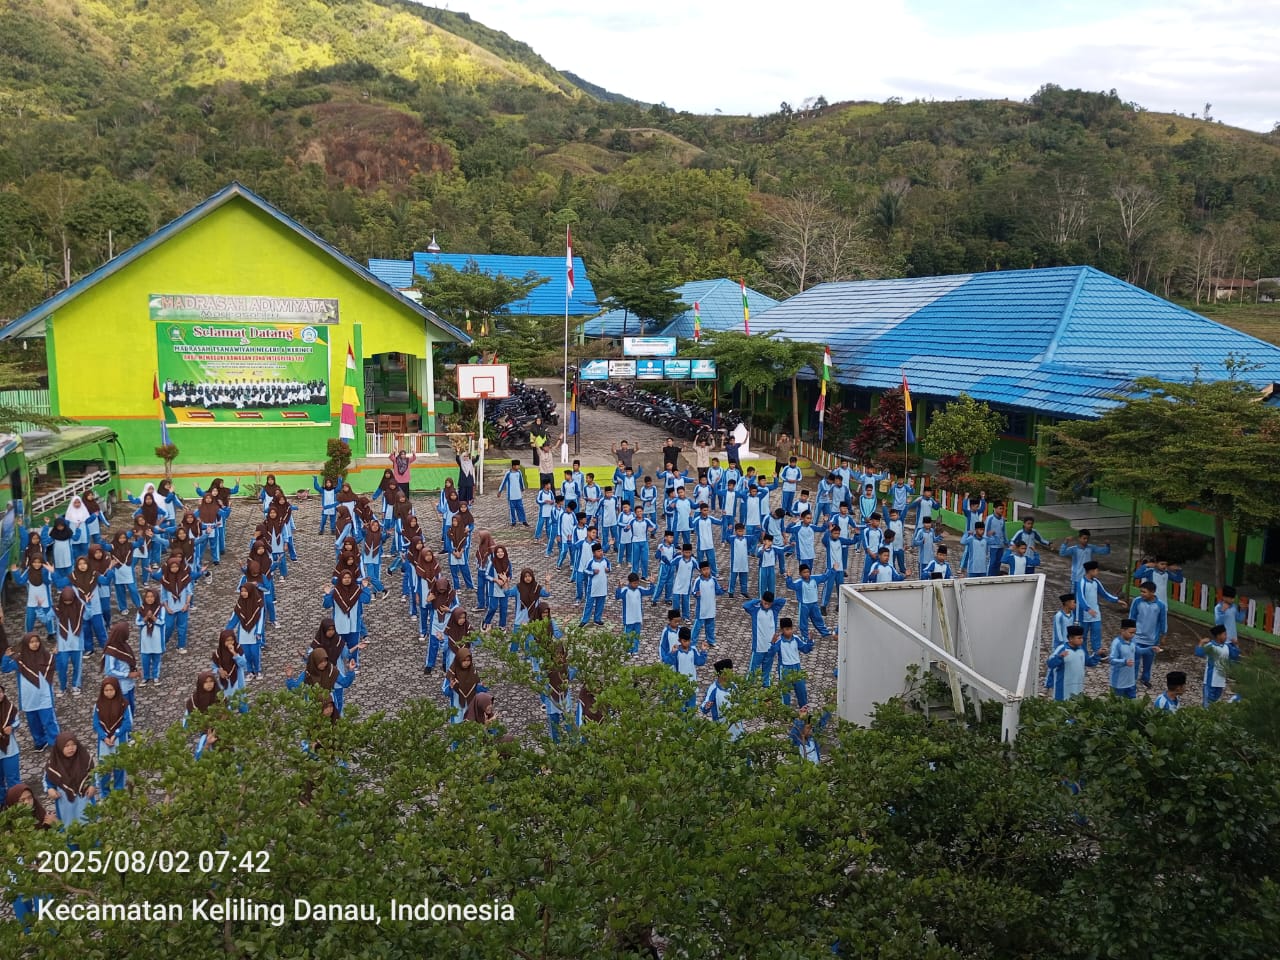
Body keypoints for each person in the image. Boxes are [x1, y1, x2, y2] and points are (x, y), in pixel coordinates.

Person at [8, 632, 58, 749]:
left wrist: (57, 655)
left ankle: (55, 743)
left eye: (36, 641)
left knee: (49, 721)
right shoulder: (19, 660)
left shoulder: (46, 656)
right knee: (33, 723)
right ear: (26, 644)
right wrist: (6, 657)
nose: (35, 644)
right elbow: (5, 668)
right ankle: (40, 741)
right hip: (29, 698)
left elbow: (57, 666)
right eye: (31, 642)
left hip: (44, 696)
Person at [44, 732, 96, 825]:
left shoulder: (84, 758)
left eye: (73, 745)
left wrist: (92, 785)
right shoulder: (54, 764)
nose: (71, 748)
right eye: (66, 746)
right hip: (65, 802)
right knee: (69, 825)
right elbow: (49, 780)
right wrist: (50, 789)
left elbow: (93, 774)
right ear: (60, 747)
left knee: (88, 823)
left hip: (84, 799)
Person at [1075, 561, 1125, 655]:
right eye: (1096, 570)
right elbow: (1080, 598)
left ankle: (1097, 653)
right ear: (1091, 571)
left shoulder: (1096, 582)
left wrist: (1117, 600)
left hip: (1095, 614)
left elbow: (1104, 594)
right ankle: (1082, 654)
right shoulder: (1081, 583)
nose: (1098, 572)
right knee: (1083, 636)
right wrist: (1088, 609)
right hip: (1084, 615)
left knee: (1096, 634)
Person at [92, 677, 132, 794]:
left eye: (111, 690)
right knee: (104, 770)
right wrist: (104, 737)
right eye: (106, 690)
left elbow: (127, 723)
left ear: (116, 690)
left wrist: (116, 735)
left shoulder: (124, 704)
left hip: (119, 741)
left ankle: (119, 792)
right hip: (104, 743)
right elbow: (96, 724)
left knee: (119, 768)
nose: (109, 693)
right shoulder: (98, 705)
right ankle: (105, 794)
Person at [1128, 580, 1168, 689]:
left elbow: (1163, 621)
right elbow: (1132, 617)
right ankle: (1132, 681)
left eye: (1144, 592)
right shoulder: (1137, 601)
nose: (1141, 594)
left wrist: (1164, 635)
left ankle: (1145, 679)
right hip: (1136, 638)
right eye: (1141, 591)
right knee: (1135, 661)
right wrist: (1128, 632)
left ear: (1153, 592)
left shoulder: (1160, 605)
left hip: (1152, 639)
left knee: (1148, 662)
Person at [744, 591, 787, 685]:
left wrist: (772, 601)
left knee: (767, 669)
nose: (767, 605)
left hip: (771, 647)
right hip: (758, 647)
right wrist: (758, 600)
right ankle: (748, 686)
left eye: (769, 603)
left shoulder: (774, 609)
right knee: (753, 670)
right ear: (762, 600)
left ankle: (766, 686)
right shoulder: (755, 610)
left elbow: (783, 601)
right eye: (765, 603)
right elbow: (746, 606)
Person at [1045, 625, 1098, 700]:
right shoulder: (1062, 649)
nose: (1081, 640)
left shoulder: (1082, 649)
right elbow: (1050, 663)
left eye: (1082, 638)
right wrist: (1059, 657)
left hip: (1078, 687)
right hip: (1063, 689)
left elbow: (1089, 662)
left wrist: (1097, 655)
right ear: (1070, 639)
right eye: (1079, 638)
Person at [661, 627, 708, 709]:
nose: (687, 643)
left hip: (691, 684)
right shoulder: (676, 652)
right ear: (679, 640)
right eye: (685, 641)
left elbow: (699, 662)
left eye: (689, 641)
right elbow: (668, 662)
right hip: (679, 686)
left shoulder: (693, 650)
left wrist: (703, 651)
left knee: (691, 709)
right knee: (681, 709)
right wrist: (672, 653)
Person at [1194, 624, 1240, 706]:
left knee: (1214, 702)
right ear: (1218, 636)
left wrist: (1236, 645)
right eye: (1224, 634)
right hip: (1210, 681)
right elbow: (1199, 653)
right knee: (1207, 704)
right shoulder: (1210, 646)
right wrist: (1201, 643)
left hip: (1221, 681)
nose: (1226, 636)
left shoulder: (1227, 647)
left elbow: (1235, 655)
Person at [774, 616, 815, 707]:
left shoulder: (796, 639)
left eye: (791, 629)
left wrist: (810, 641)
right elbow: (771, 653)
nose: (789, 631)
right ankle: (785, 711)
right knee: (785, 692)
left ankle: (804, 710)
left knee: (802, 690)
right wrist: (772, 643)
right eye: (787, 629)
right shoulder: (779, 641)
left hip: (797, 668)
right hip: (785, 669)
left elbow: (805, 649)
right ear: (782, 630)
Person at [700, 659, 743, 740]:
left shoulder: (734, 686)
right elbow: (703, 709)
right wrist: (707, 706)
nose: (732, 674)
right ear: (721, 674)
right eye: (729, 672)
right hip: (722, 731)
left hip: (737, 729)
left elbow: (743, 700)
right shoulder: (713, 689)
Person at [615, 571, 654, 654]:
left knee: (637, 635)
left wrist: (652, 583)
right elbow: (618, 597)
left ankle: (635, 650)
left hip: (637, 617)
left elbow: (650, 592)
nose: (636, 585)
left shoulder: (639, 589)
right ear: (630, 582)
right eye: (634, 583)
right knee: (628, 635)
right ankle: (628, 650)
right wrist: (619, 587)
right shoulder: (625, 590)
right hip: (628, 618)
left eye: (637, 583)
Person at [1107, 618, 1139, 699]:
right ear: (1122, 631)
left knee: (1132, 705)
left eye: (1134, 633)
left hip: (1131, 682)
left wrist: (1150, 650)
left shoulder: (1133, 641)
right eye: (1131, 632)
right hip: (1119, 683)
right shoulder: (1116, 643)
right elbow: (1111, 660)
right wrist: (1124, 662)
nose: (1133, 635)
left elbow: (1138, 650)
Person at [0, 683, 21, 794]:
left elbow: (17, 721)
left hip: (10, 750)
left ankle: (19, 806)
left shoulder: (10, 708)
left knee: (13, 781)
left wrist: (11, 727)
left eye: (0, 692)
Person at [497, 460, 529, 527]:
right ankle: (513, 521)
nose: (518, 467)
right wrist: (500, 491)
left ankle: (523, 520)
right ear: (513, 466)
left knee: (521, 508)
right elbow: (503, 482)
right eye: (517, 465)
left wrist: (522, 487)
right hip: (511, 495)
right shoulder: (508, 473)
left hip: (518, 495)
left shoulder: (519, 472)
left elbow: (521, 480)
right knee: (512, 509)